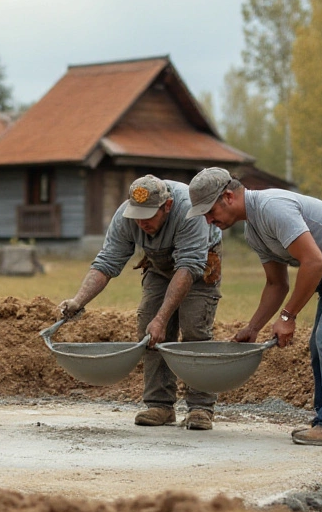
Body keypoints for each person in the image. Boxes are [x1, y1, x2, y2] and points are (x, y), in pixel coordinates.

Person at [186, 167, 322, 446]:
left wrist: (288, 316)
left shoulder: (271, 208)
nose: (208, 220)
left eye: (209, 211)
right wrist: (252, 328)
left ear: (228, 197)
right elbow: (276, 284)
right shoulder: (254, 230)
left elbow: (314, 262)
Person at [59, 175, 224, 430]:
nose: (141, 222)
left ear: (167, 206)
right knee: (149, 329)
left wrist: (163, 317)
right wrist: (77, 301)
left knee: (195, 331)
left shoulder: (189, 210)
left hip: (199, 266)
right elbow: (107, 262)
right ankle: (160, 405)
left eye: (148, 216)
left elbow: (189, 267)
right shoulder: (126, 217)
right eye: (137, 215)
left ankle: (201, 407)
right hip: (158, 265)